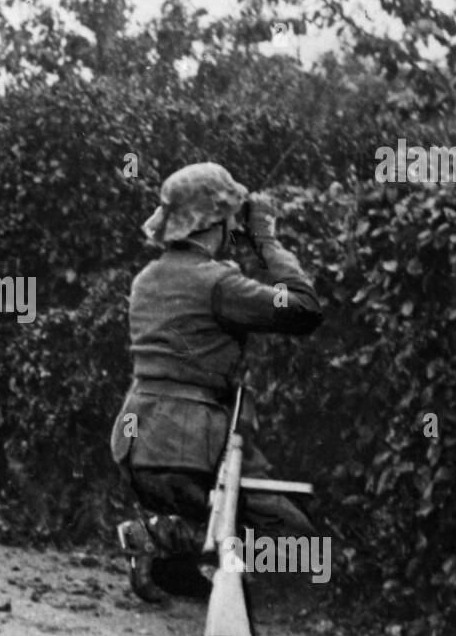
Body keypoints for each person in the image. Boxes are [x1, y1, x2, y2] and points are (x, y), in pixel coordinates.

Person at [110, 162, 324, 603]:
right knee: (299, 543)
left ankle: (166, 542)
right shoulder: (219, 284)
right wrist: (266, 242)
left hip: (137, 447)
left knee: (216, 532)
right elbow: (304, 309)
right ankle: (167, 535)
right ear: (214, 220)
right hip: (191, 450)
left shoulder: (147, 278)